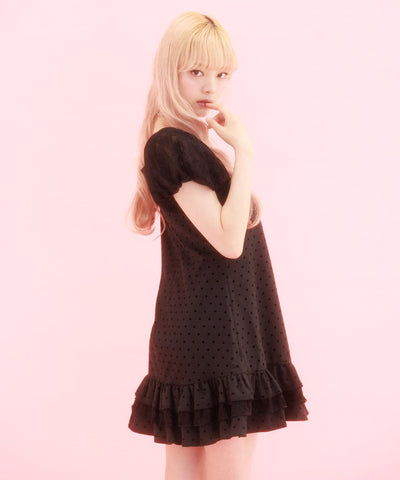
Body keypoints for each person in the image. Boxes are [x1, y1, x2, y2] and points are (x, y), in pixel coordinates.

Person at [125, 11, 309, 480]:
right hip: (214, 334)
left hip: (218, 325)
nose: (211, 86)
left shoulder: (188, 140)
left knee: (190, 471)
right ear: (171, 71)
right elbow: (229, 241)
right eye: (197, 71)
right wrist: (244, 151)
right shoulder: (171, 145)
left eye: (222, 74)